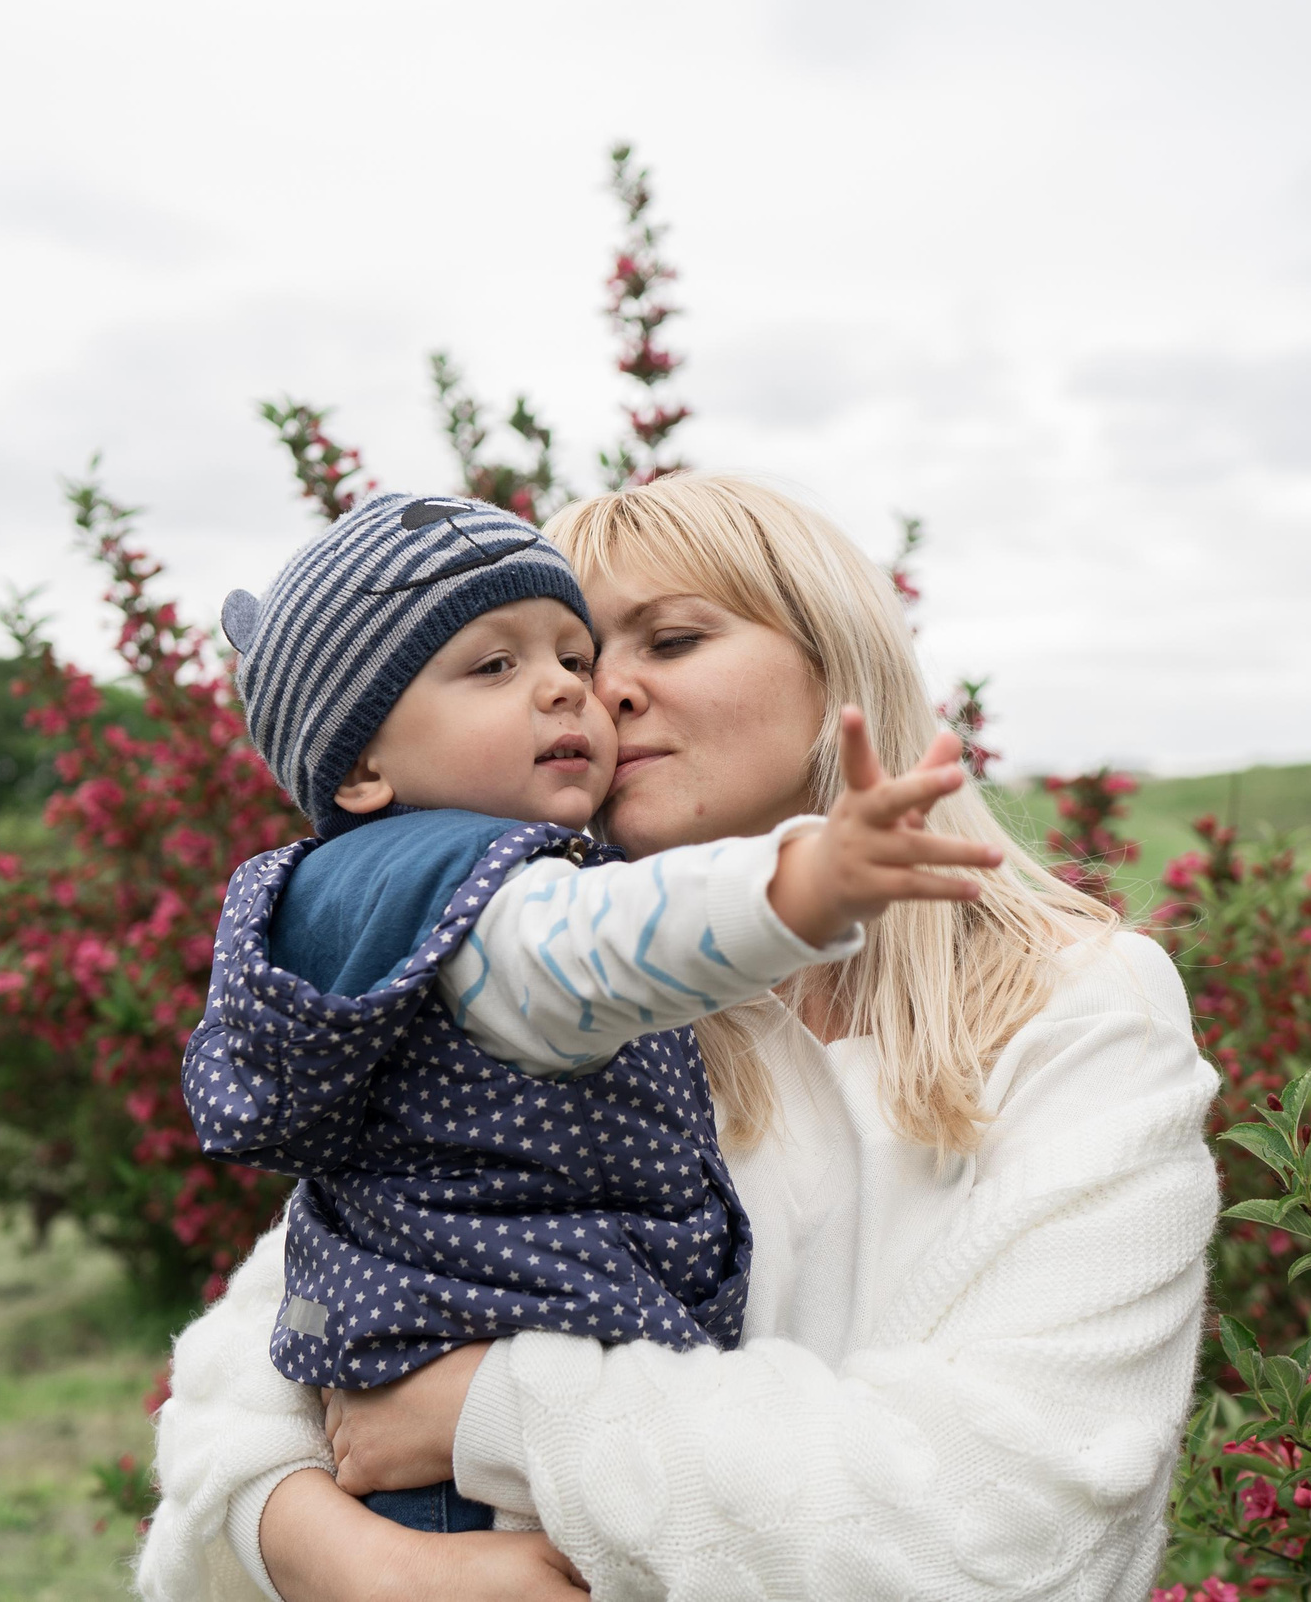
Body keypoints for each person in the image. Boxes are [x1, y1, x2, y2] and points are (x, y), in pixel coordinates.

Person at [138, 474, 1220, 1602]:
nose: (594, 694)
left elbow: (1006, 1533)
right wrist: (350, 1558)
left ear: (838, 664)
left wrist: (489, 1410)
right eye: (549, 661)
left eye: (668, 638)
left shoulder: (1080, 1008)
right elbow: (244, 1383)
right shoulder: (523, 990)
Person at [187, 489, 1002, 1536]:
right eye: (494, 666)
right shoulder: (480, 904)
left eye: (576, 656)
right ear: (359, 767)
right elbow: (602, 945)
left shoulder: (385, 892)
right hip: (486, 1503)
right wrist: (801, 886)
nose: (583, 692)